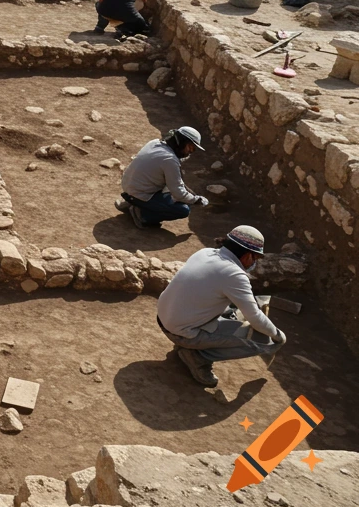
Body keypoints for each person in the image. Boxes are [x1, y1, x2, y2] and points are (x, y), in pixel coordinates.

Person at [156, 226, 285, 387]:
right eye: (255, 258)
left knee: (235, 307)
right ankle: (199, 357)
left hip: (164, 317)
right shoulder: (234, 275)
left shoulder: (204, 253)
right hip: (180, 332)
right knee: (264, 340)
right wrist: (278, 335)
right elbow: (255, 317)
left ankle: (193, 344)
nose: (254, 263)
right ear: (247, 255)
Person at [116, 126, 209, 229]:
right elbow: (179, 193)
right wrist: (196, 200)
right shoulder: (170, 160)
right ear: (181, 142)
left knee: (175, 192)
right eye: (190, 147)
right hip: (139, 193)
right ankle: (142, 215)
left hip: (129, 185)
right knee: (183, 209)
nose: (190, 152)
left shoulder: (154, 143)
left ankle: (132, 202)